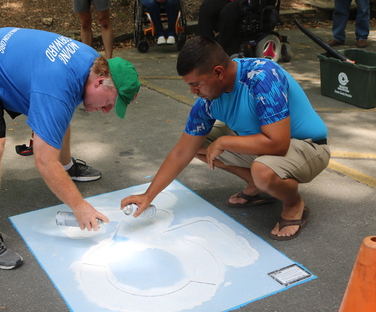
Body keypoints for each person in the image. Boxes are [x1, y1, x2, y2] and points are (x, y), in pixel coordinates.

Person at [0, 27, 140, 269]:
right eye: (110, 103)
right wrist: (80, 207)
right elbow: (44, 160)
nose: (106, 110)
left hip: (10, 62)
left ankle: (67, 166)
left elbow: (58, 107)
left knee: (58, 114)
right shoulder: (58, 85)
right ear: (100, 81)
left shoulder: (90, 62)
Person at [121, 36, 330, 241]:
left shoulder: (263, 76)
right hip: (266, 146)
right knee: (197, 144)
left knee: (262, 170)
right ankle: (255, 183)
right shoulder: (207, 101)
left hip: (309, 146)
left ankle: (293, 204)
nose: (193, 92)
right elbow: (182, 151)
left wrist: (223, 142)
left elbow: (279, 144)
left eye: (196, 84)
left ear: (218, 72)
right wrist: (148, 196)